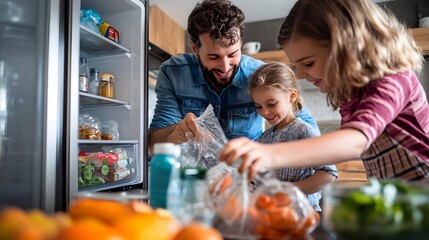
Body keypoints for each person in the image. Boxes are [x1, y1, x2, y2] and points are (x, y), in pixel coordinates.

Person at [220, 0, 429, 182]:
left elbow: (355, 141)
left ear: (348, 47)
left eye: (308, 63)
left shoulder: (392, 79)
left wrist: (270, 154)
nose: (300, 74)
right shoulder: (351, 98)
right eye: (296, 66)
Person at [148, 0, 318, 149]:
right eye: (213, 57)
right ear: (195, 49)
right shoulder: (173, 72)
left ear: (240, 43)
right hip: (192, 176)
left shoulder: (260, 74)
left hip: (246, 177)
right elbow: (152, 143)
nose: (225, 67)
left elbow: (306, 128)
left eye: (232, 54)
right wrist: (178, 132)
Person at [249, 62, 338, 211]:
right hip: (274, 214)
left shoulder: (304, 132)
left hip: (305, 213)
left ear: (292, 96)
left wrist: (289, 190)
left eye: (271, 104)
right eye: (258, 106)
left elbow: (328, 175)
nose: (264, 112)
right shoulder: (264, 138)